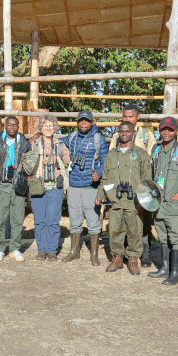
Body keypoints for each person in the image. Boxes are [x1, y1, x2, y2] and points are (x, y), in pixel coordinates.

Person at [97, 121, 151, 274]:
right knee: (114, 230)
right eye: (121, 131)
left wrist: (143, 202)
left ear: (133, 133)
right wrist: (102, 194)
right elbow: (105, 178)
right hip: (116, 200)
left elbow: (147, 180)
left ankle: (133, 259)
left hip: (134, 201)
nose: (124, 134)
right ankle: (117, 258)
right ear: (118, 133)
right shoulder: (111, 155)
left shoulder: (141, 154)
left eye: (127, 131)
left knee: (135, 231)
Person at [109, 103, 157, 268]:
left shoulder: (146, 135)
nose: (128, 119)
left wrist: (145, 192)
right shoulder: (117, 135)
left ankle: (144, 255)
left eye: (131, 116)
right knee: (120, 223)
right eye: (125, 116)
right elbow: (111, 159)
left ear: (137, 117)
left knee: (141, 223)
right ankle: (120, 256)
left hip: (139, 185)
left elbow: (150, 159)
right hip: (121, 188)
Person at [61, 110, 108, 265]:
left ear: (92, 122)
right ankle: (74, 251)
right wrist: (39, 136)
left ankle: (94, 254)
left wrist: (99, 174)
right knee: (74, 220)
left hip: (91, 185)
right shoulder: (72, 137)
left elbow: (105, 162)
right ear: (77, 122)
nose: (83, 124)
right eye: (81, 121)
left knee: (93, 220)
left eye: (86, 121)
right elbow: (57, 141)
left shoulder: (98, 140)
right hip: (74, 184)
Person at [148, 117, 178, 285]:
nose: (166, 132)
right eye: (163, 129)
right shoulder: (156, 150)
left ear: (176, 131)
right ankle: (165, 267)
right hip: (158, 203)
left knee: (176, 236)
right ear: (159, 130)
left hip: (173, 203)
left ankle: (176, 272)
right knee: (162, 234)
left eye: (170, 129)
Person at [29, 115, 70, 261]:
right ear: (40, 128)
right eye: (45, 125)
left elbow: (68, 158)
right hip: (38, 184)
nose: (48, 128)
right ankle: (42, 250)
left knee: (53, 219)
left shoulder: (59, 144)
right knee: (40, 219)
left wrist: (67, 162)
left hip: (54, 186)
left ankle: (52, 250)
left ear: (55, 128)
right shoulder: (33, 143)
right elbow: (26, 160)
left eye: (51, 125)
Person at [0, 116, 31, 263]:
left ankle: (15, 248)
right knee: (1, 218)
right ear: (5, 126)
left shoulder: (24, 143)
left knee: (17, 218)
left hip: (18, 184)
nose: (12, 127)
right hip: (2, 183)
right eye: (9, 124)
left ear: (18, 126)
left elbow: (29, 163)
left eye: (14, 125)